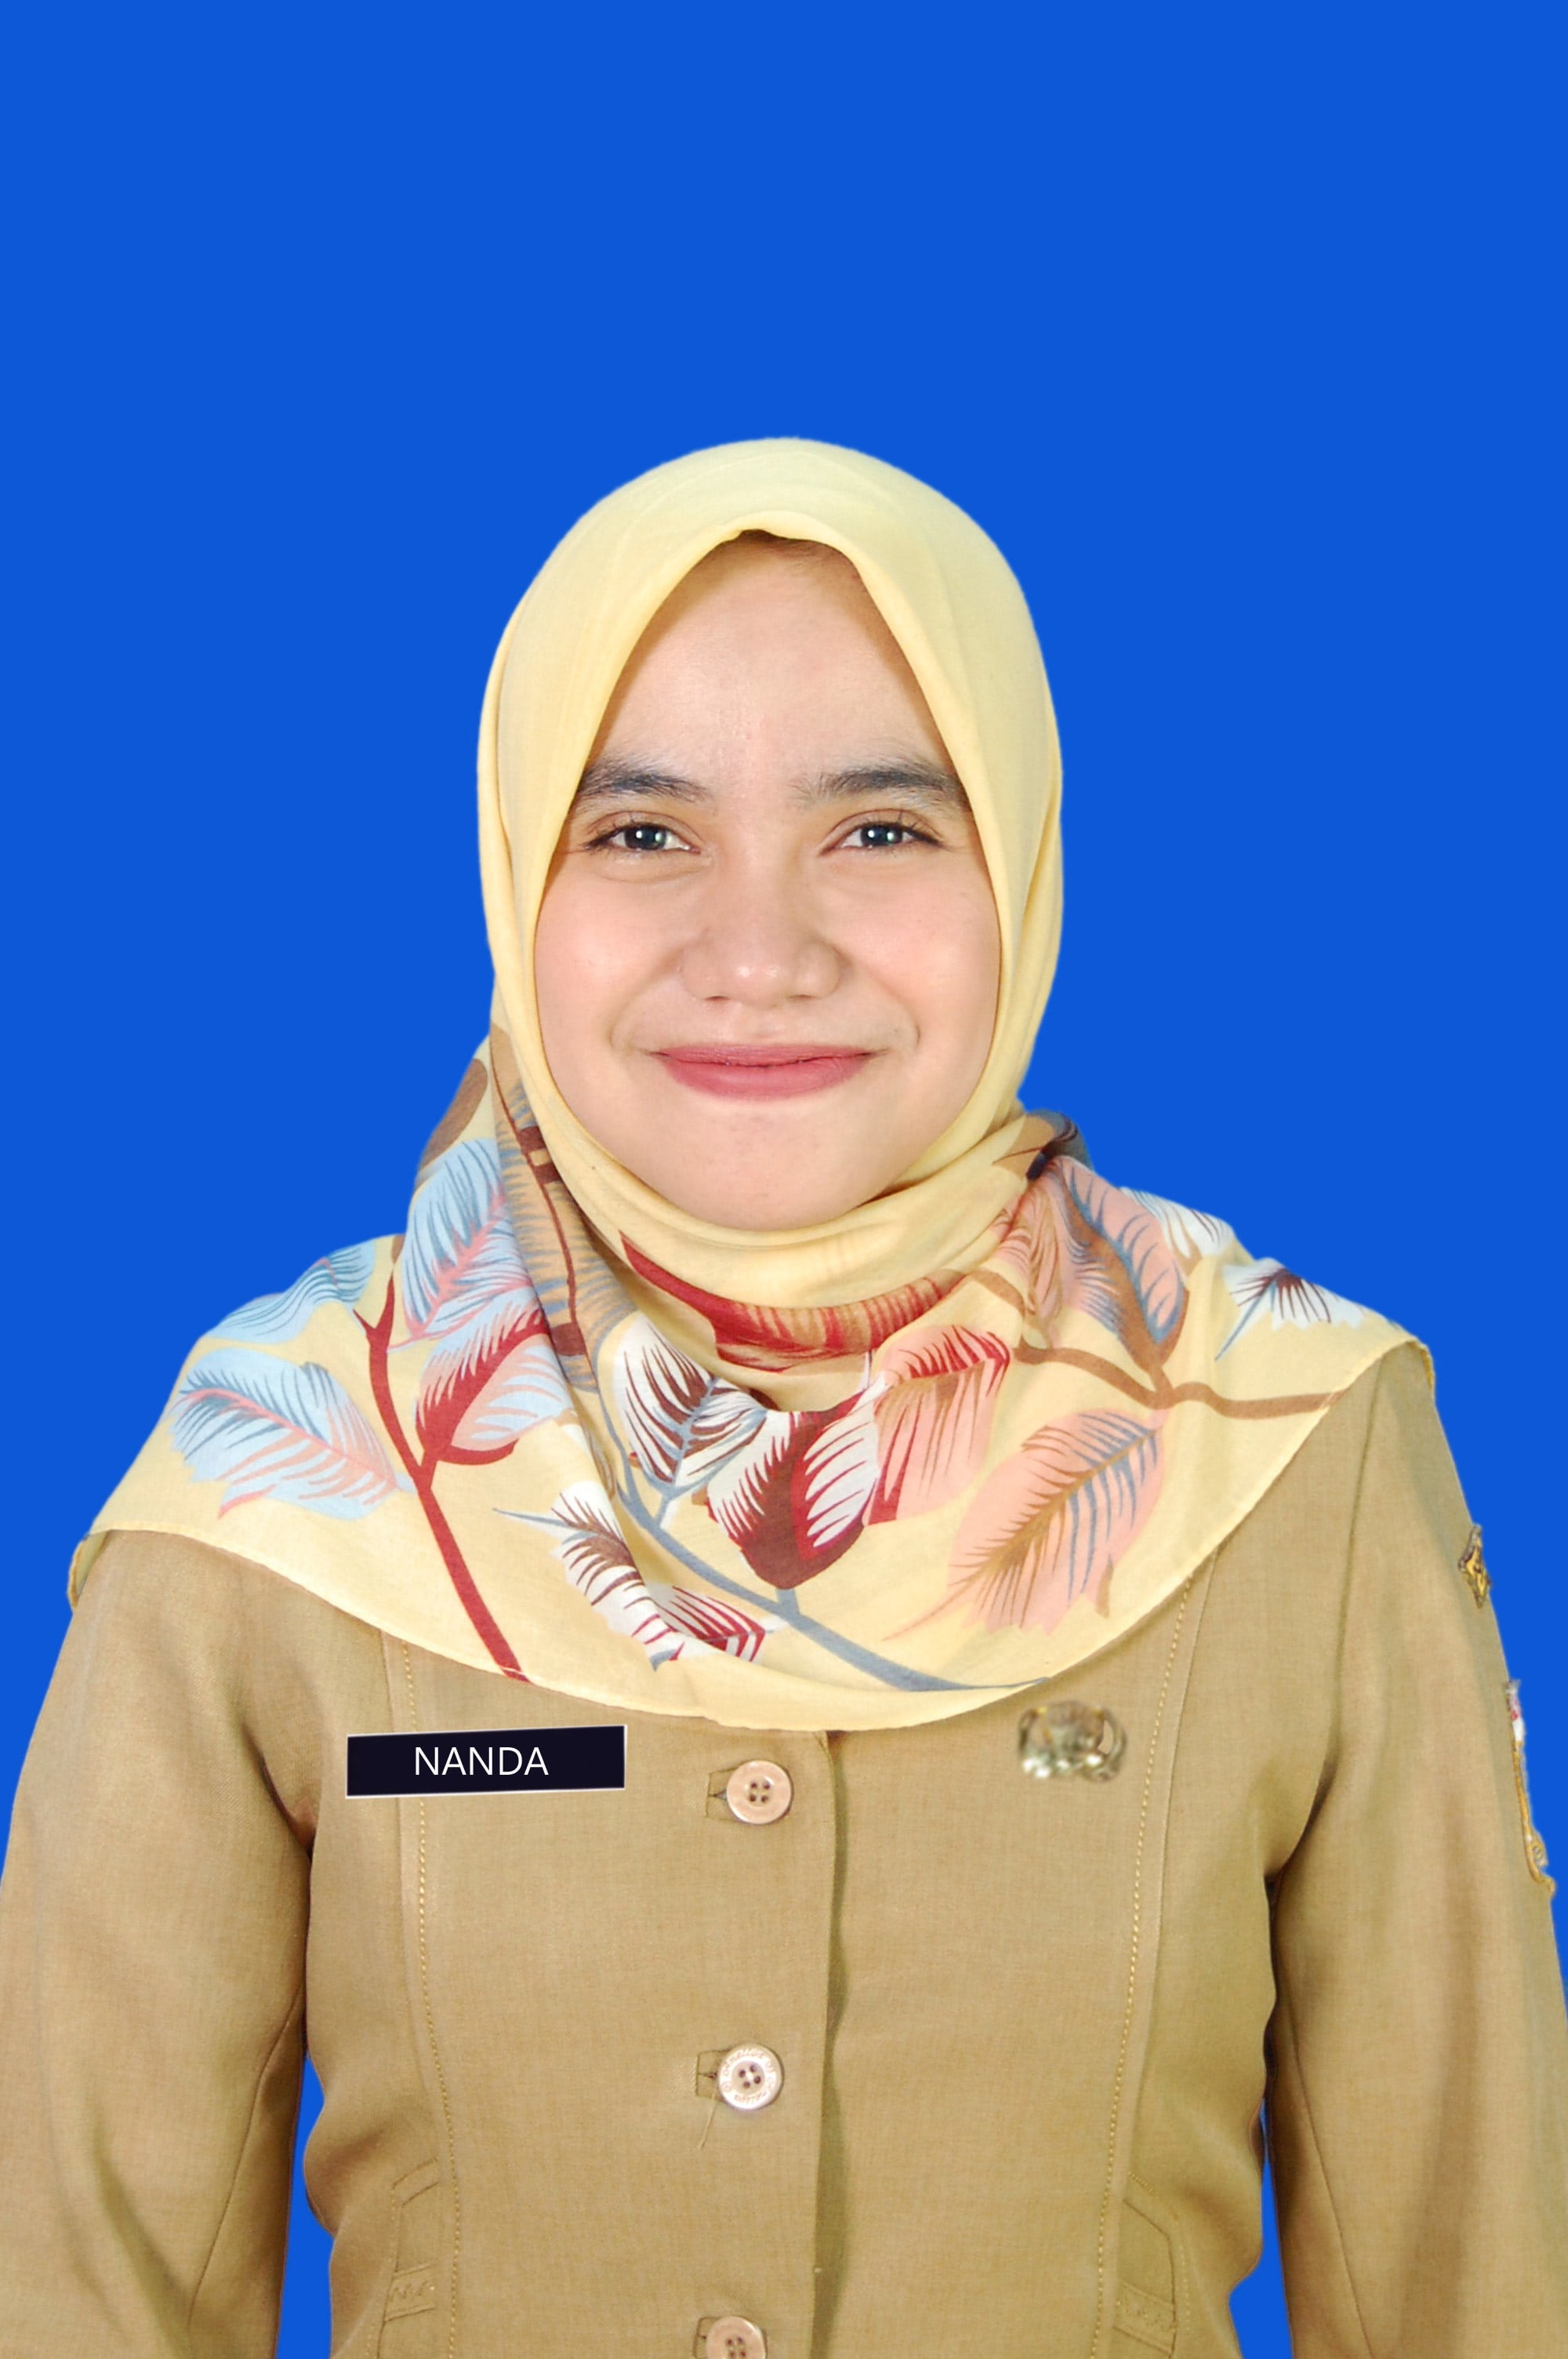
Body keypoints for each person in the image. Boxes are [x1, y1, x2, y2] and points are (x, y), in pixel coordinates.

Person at [2, 438, 1564, 2358]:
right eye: (640, 834)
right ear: (516, 868)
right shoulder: (279, 1478)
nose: (759, 954)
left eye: (882, 829)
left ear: (1020, 862)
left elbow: (1469, 2288)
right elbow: (81, 2300)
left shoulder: (1292, 1440)